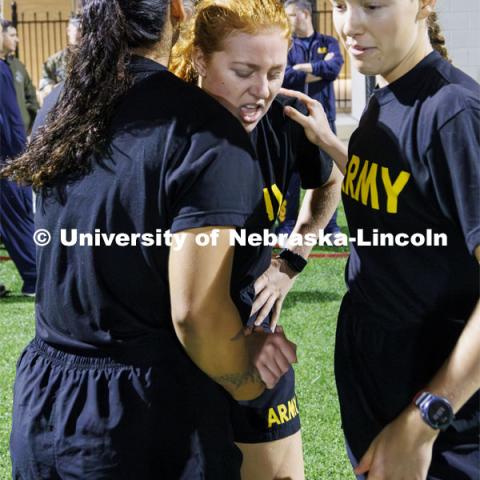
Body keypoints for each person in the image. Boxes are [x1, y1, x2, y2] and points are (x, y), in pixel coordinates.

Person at [3, 0, 298, 478]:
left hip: (43, 405)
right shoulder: (204, 131)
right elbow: (196, 314)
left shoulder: (60, 103)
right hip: (145, 418)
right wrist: (250, 386)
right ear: (177, 11)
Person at [254, 0, 480, 478]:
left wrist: (424, 420)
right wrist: (334, 147)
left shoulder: (455, 113)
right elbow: (400, 192)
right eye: (339, 5)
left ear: (424, 5)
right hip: (378, 390)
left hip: (441, 424)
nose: (349, 24)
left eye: (372, 5)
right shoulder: (386, 97)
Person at [170, 0, 342, 478]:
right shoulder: (167, 126)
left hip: (253, 327)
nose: (261, 91)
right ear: (200, 58)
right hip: (171, 343)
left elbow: (329, 184)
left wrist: (291, 261)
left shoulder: (286, 119)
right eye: (244, 71)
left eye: (275, 71)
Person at [276, 0, 344, 237]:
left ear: (305, 14)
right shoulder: (288, 44)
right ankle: (286, 225)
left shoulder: (328, 42)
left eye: (291, 15)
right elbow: (284, 76)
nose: (288, 20)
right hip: (293, 117)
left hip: (324, 119)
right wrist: (316, 70)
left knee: (329, 174)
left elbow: (334, 68)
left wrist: (302, 68)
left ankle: (330, 227)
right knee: (291, 173)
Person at [0, 28, 36, 297]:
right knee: (17, 213)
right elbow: (10, 118)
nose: (15, 38)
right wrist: (19, 156)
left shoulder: (11, 66)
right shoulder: (2, 69)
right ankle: (35, 276)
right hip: (6, 156)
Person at [1, 19, 39, 133]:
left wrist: (32, 125)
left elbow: (31, 97)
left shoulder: (18, 66)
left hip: (19, 136)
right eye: (12, 35)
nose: (17, 40)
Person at [38, 15, 81, 97]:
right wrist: (54, 89)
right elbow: (44, 83)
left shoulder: (93, 59)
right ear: (68, 31)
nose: (82, 33)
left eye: (85, 30)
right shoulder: (55, 60)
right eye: (78, 29)